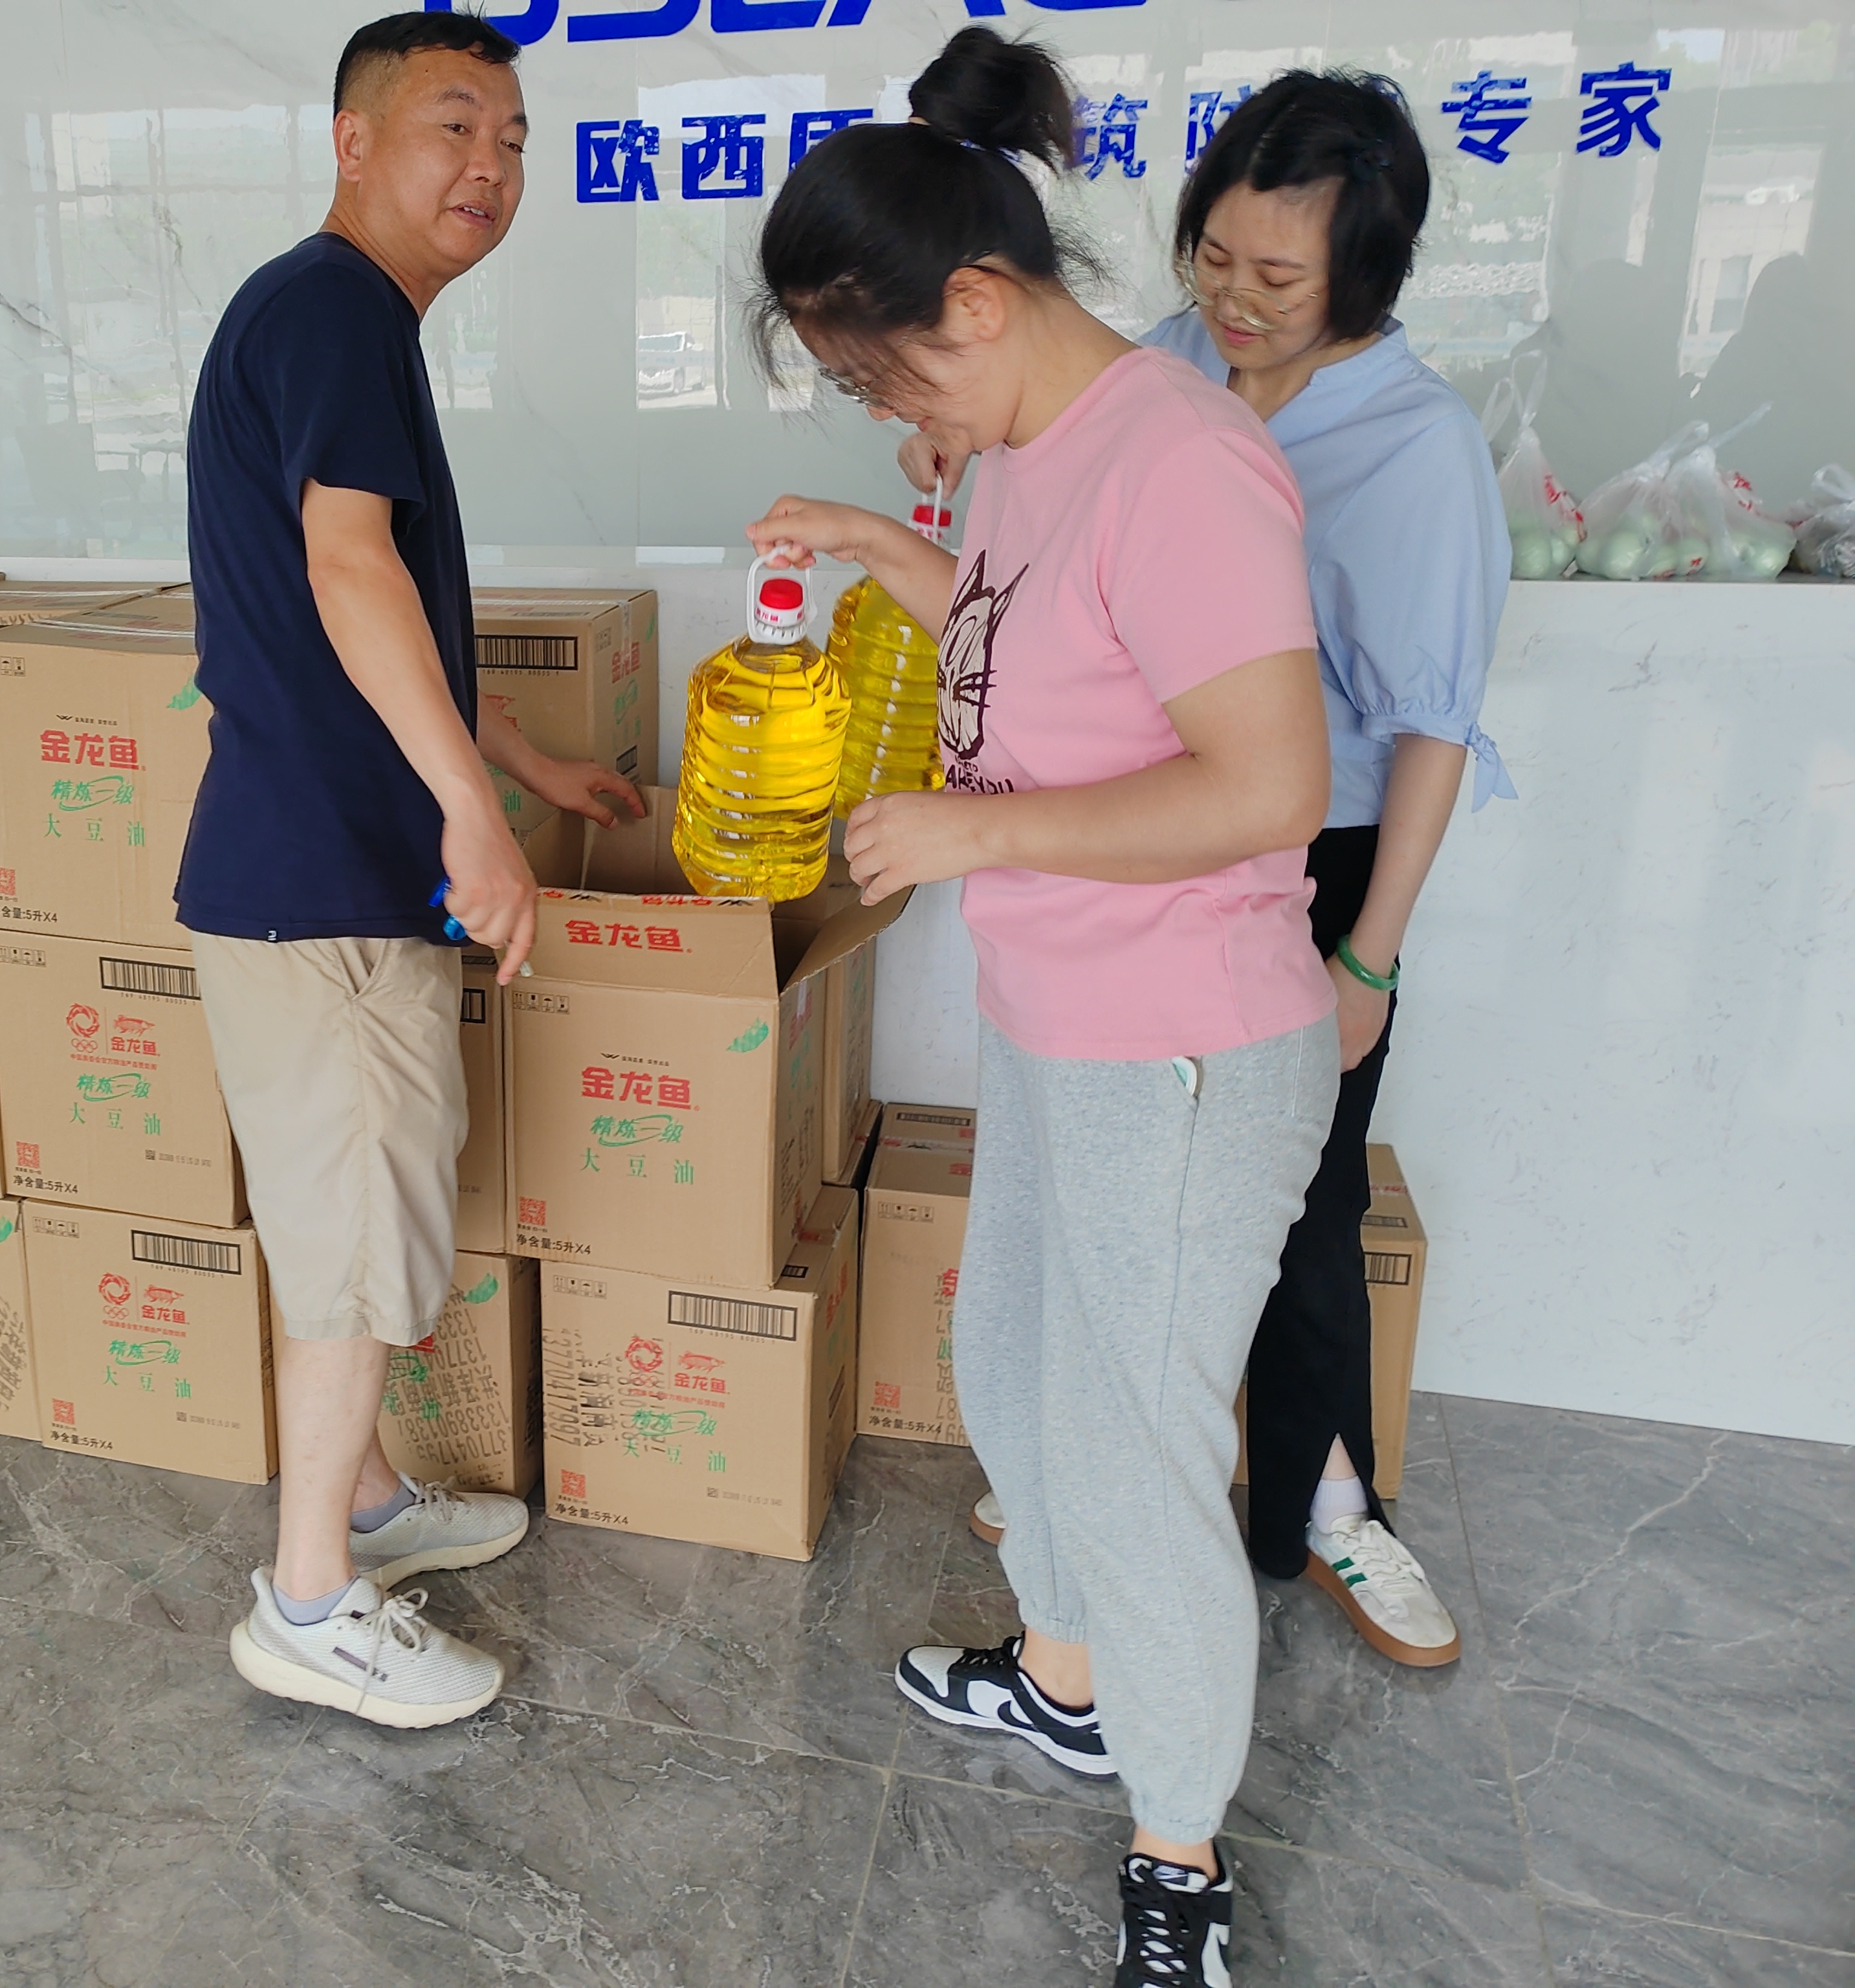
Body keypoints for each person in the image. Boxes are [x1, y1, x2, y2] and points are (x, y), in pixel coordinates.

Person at [745, 30, 1339, 1985]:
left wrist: (979, 836)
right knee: (1012, 1367)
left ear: (979, 302)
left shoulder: (1184, 464)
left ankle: (1179, 1866)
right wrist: (884, 552)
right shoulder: (1023, 451)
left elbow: (1264, 783)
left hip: (1181, 1047)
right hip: (1064, 1014)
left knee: (1131, 1448)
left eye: (882, 378)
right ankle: (1071, 1684)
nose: (886, 416)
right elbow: (1021, 639)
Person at [919, 73, 1510, 1669]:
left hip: (1315, 851)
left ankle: (1329, 1500)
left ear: (1361, 278)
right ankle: (1088, 1506)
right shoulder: (1162, 370)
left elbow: (1432, 727)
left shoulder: (1416, 444)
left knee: (1300, 1203)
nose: (1233, 302)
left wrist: (1368, 953)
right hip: (1135, 824)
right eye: (1213, 260)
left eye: (1278, 278)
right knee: (1101, 1206)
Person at [177, 10, 642, 1728]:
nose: (490, 167)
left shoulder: (336, 317)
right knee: (356, 1236)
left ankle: (367, 1500)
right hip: (325, 877)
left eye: (512, 139)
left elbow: (371, 619)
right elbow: (348, 567)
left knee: (344, 1216)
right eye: (455, 126)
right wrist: (471, 814)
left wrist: (518, 762)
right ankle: (308, 1601)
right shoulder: (335, 311)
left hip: (308, 863)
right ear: (353, 141)